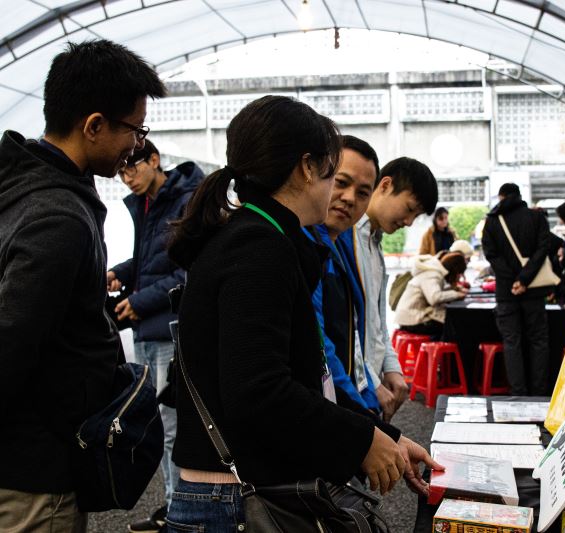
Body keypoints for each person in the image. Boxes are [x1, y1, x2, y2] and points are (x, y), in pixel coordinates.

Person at [167, 96, 441, 531]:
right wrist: (362, 440)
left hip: (240, 494)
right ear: (307, 168)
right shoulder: (259, 247)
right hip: (234, 503)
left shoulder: (263, 237)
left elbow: (298, 380)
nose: (341, 195)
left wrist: (386, 437)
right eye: (335, 174)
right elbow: (260, 393)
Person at [0, 40, 165, 533]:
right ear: (93, 125)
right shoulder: (58, 217)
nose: (136, 146)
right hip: (34, 475)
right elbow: (11, 340)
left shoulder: (21, 186)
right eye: (134, 130)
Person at [106, 139, 204, 533]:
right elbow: (153, 261)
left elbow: (189, 270)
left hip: (169, 330)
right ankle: (172, 507)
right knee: (160, 427)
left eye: (133, 167)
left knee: (172, 429)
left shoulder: (186, 202)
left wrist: (140, 301)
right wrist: (122, 273)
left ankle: (181, 513)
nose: (127, 177)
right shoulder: (147, 203)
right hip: (149, 327)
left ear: (154, 159)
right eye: (121, 171)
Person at [339, 157, 438, 421]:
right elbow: (344, 329)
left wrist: (391, 367)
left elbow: (378, 320)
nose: (409, 221)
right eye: (409, 208)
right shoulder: (344, 236)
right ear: (384, 185)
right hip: (351, 387)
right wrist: (371, 381)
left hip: (368, 386)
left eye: (416, 216)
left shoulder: (375, 242)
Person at [305, 134, 381, 411]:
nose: (349, 198)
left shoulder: (341, 244)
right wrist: (363, 415)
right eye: (341, 182)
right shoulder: (306, 245)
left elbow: (353, 335)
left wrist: (368, 399)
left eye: (362, 193)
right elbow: (320, 346)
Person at [482, 183, 551, 395]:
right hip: (535, 290)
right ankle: (539, 392)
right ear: (520, 196)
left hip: (506, 291)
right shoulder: (537, 217)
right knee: (538, 341)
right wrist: (524, 279)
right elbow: (543, 249)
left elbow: (491, 255)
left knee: (512, 342)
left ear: (501, 197)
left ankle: (518, 393)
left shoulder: (492, 221)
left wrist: (513, 280)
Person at [395, 252, 468, 338]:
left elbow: (434, 291)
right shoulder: (432, 275)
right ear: (454, 270)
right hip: (412, 320)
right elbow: (434, 297)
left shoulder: (432, 271)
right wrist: (456, 295)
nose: (459, 277)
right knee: (454, 326)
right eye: (459, 274)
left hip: (410, 317)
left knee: (452, 324)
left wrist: (454, 289)